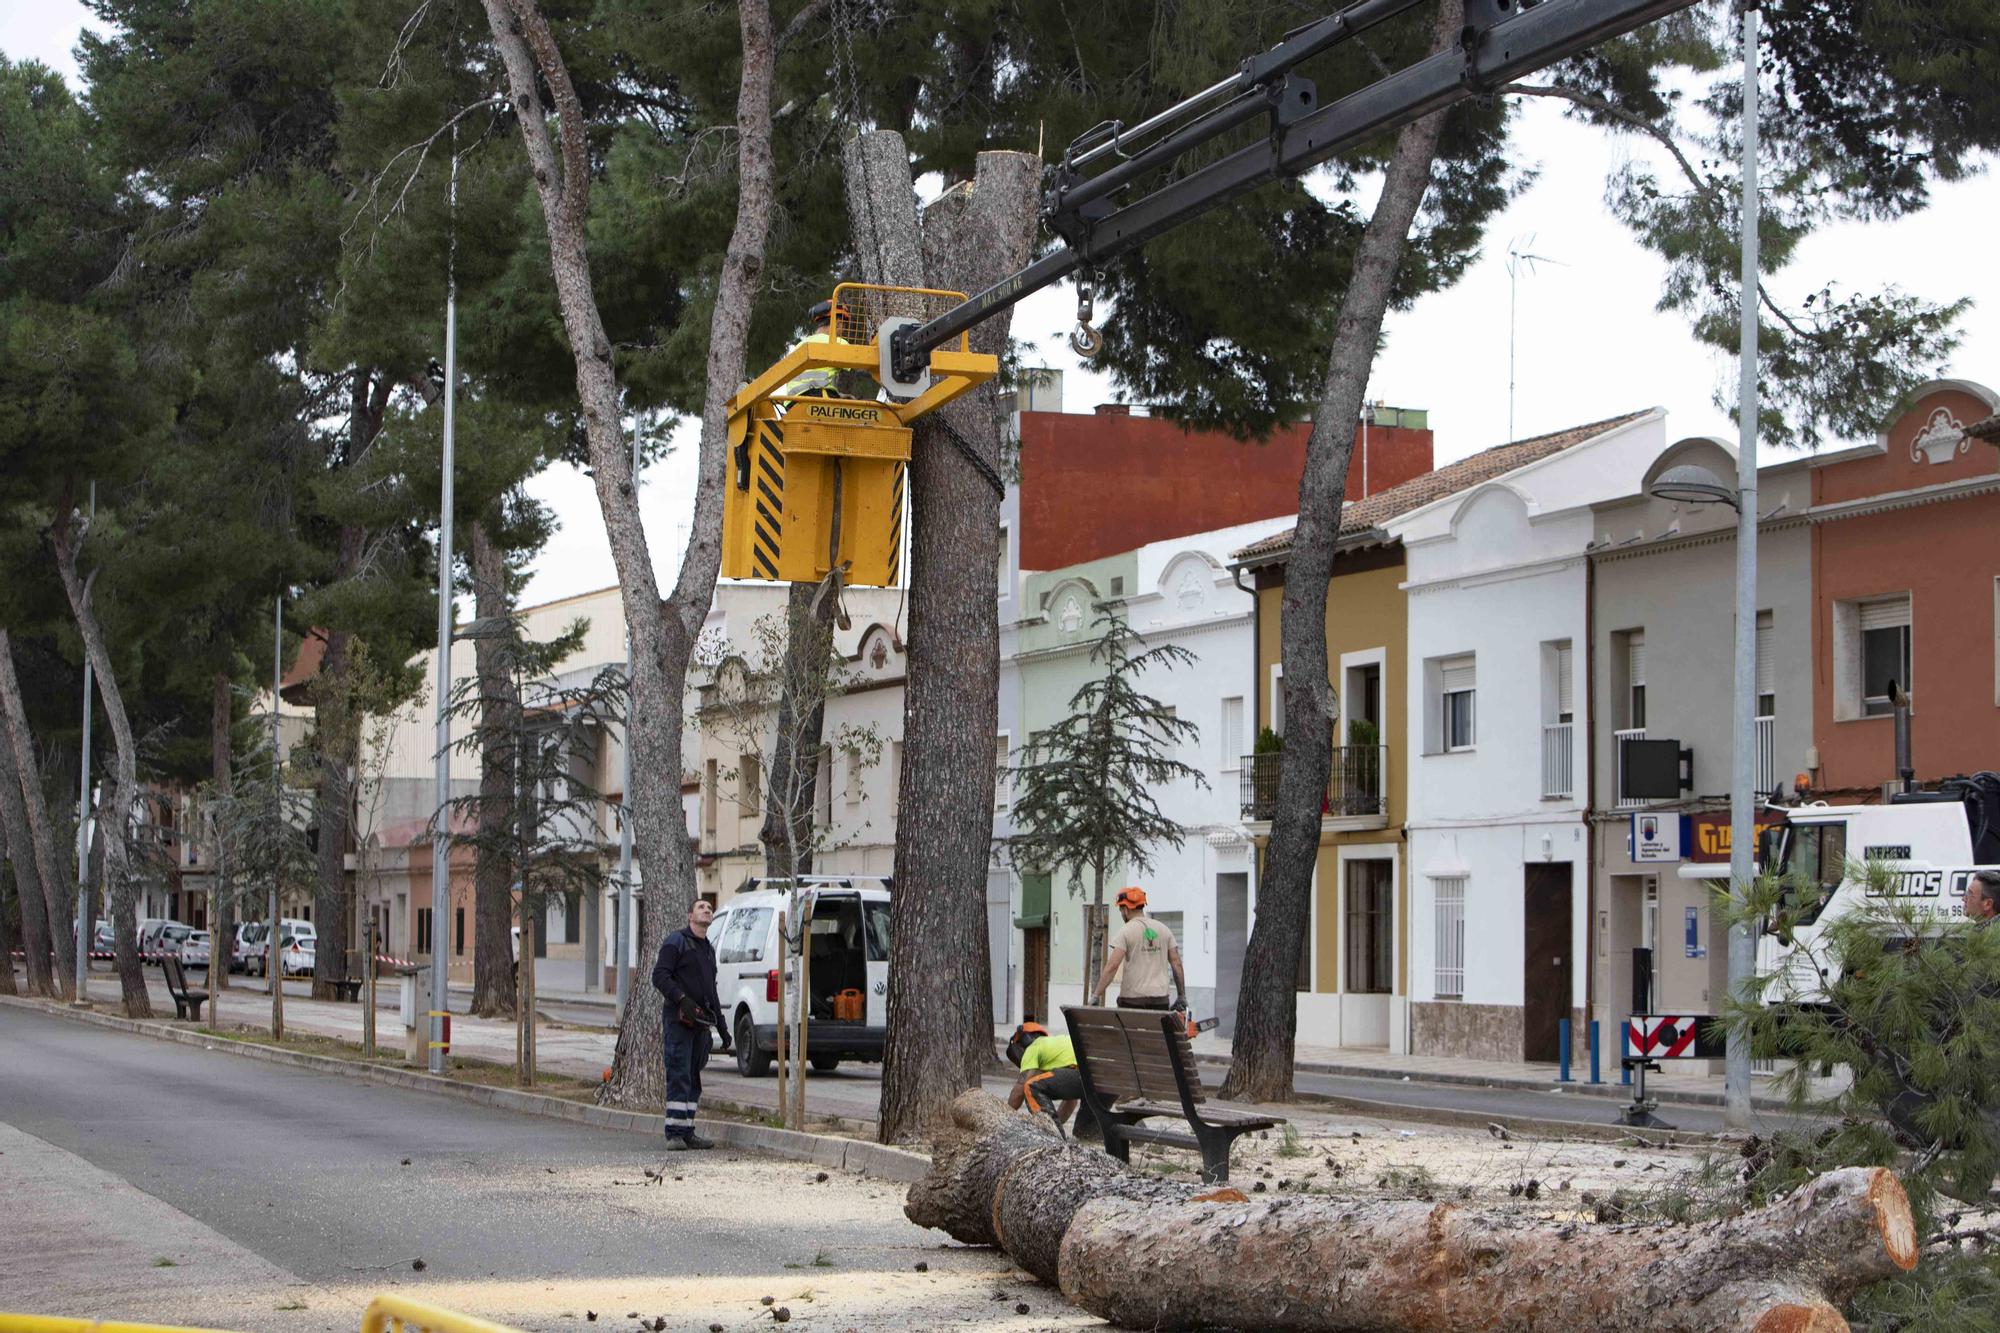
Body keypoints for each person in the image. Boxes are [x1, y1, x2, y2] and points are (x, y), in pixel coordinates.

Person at [653, 899, 726, 1151]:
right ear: (690, 916)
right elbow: (659, 975)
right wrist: (681, 1000)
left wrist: (723, 1028)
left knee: (694, 1078)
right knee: (678, 1073)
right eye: (701, 907)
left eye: (709, 908)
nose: (707, 910)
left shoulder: (708, 949)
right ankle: (673, 1133)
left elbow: (711, 991)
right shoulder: (676, 941)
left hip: (701, 1025)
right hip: (679, 1021)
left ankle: (687, 1131)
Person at [1090, 886, 1186, 1011]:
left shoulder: (1125, 931)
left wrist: (1096, 995)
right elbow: (1176, 963)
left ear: (1125, 909)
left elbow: (1112, 966)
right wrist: (1181, 996)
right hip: (1160, 1000)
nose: (1121, 914)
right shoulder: (1164, 929)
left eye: (1120, 910)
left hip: (1132, 1001)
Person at [1004, 1021, 1097, 1138]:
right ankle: (1062, 1133)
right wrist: (1056, 1123)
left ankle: (1051, 1136)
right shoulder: (1056, 1047)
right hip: (1100, 1079)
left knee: (1030, 1086)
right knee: (1082, 1131)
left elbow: (1019, 1089)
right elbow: (1071, 1101)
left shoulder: (1033, 1047)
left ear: (1025, 1040)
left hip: (1081, 1075)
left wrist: (1004, 1117)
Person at [777, 300, 846, 399]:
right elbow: (861, 362)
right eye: (844, 326)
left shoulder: (801, 344)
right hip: (819, 398)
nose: (843, 331)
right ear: (838, 324)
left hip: (792, 402)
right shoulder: (838, 342)